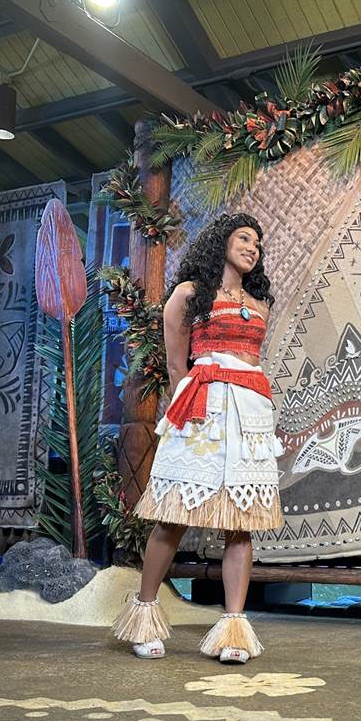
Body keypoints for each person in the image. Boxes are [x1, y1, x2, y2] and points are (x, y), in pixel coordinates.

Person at [112, 213, 283, 663]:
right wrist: (188, 415)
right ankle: (144, 617)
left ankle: (233, 632)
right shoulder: (188, 293)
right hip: (201, 407)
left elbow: (251, 360)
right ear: (221, 242)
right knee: (172, 516)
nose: (252, 247)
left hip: (248, 414)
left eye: (258, 243)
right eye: (244, 238)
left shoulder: (259, 304)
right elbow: (175, 365)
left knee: (240, 524)